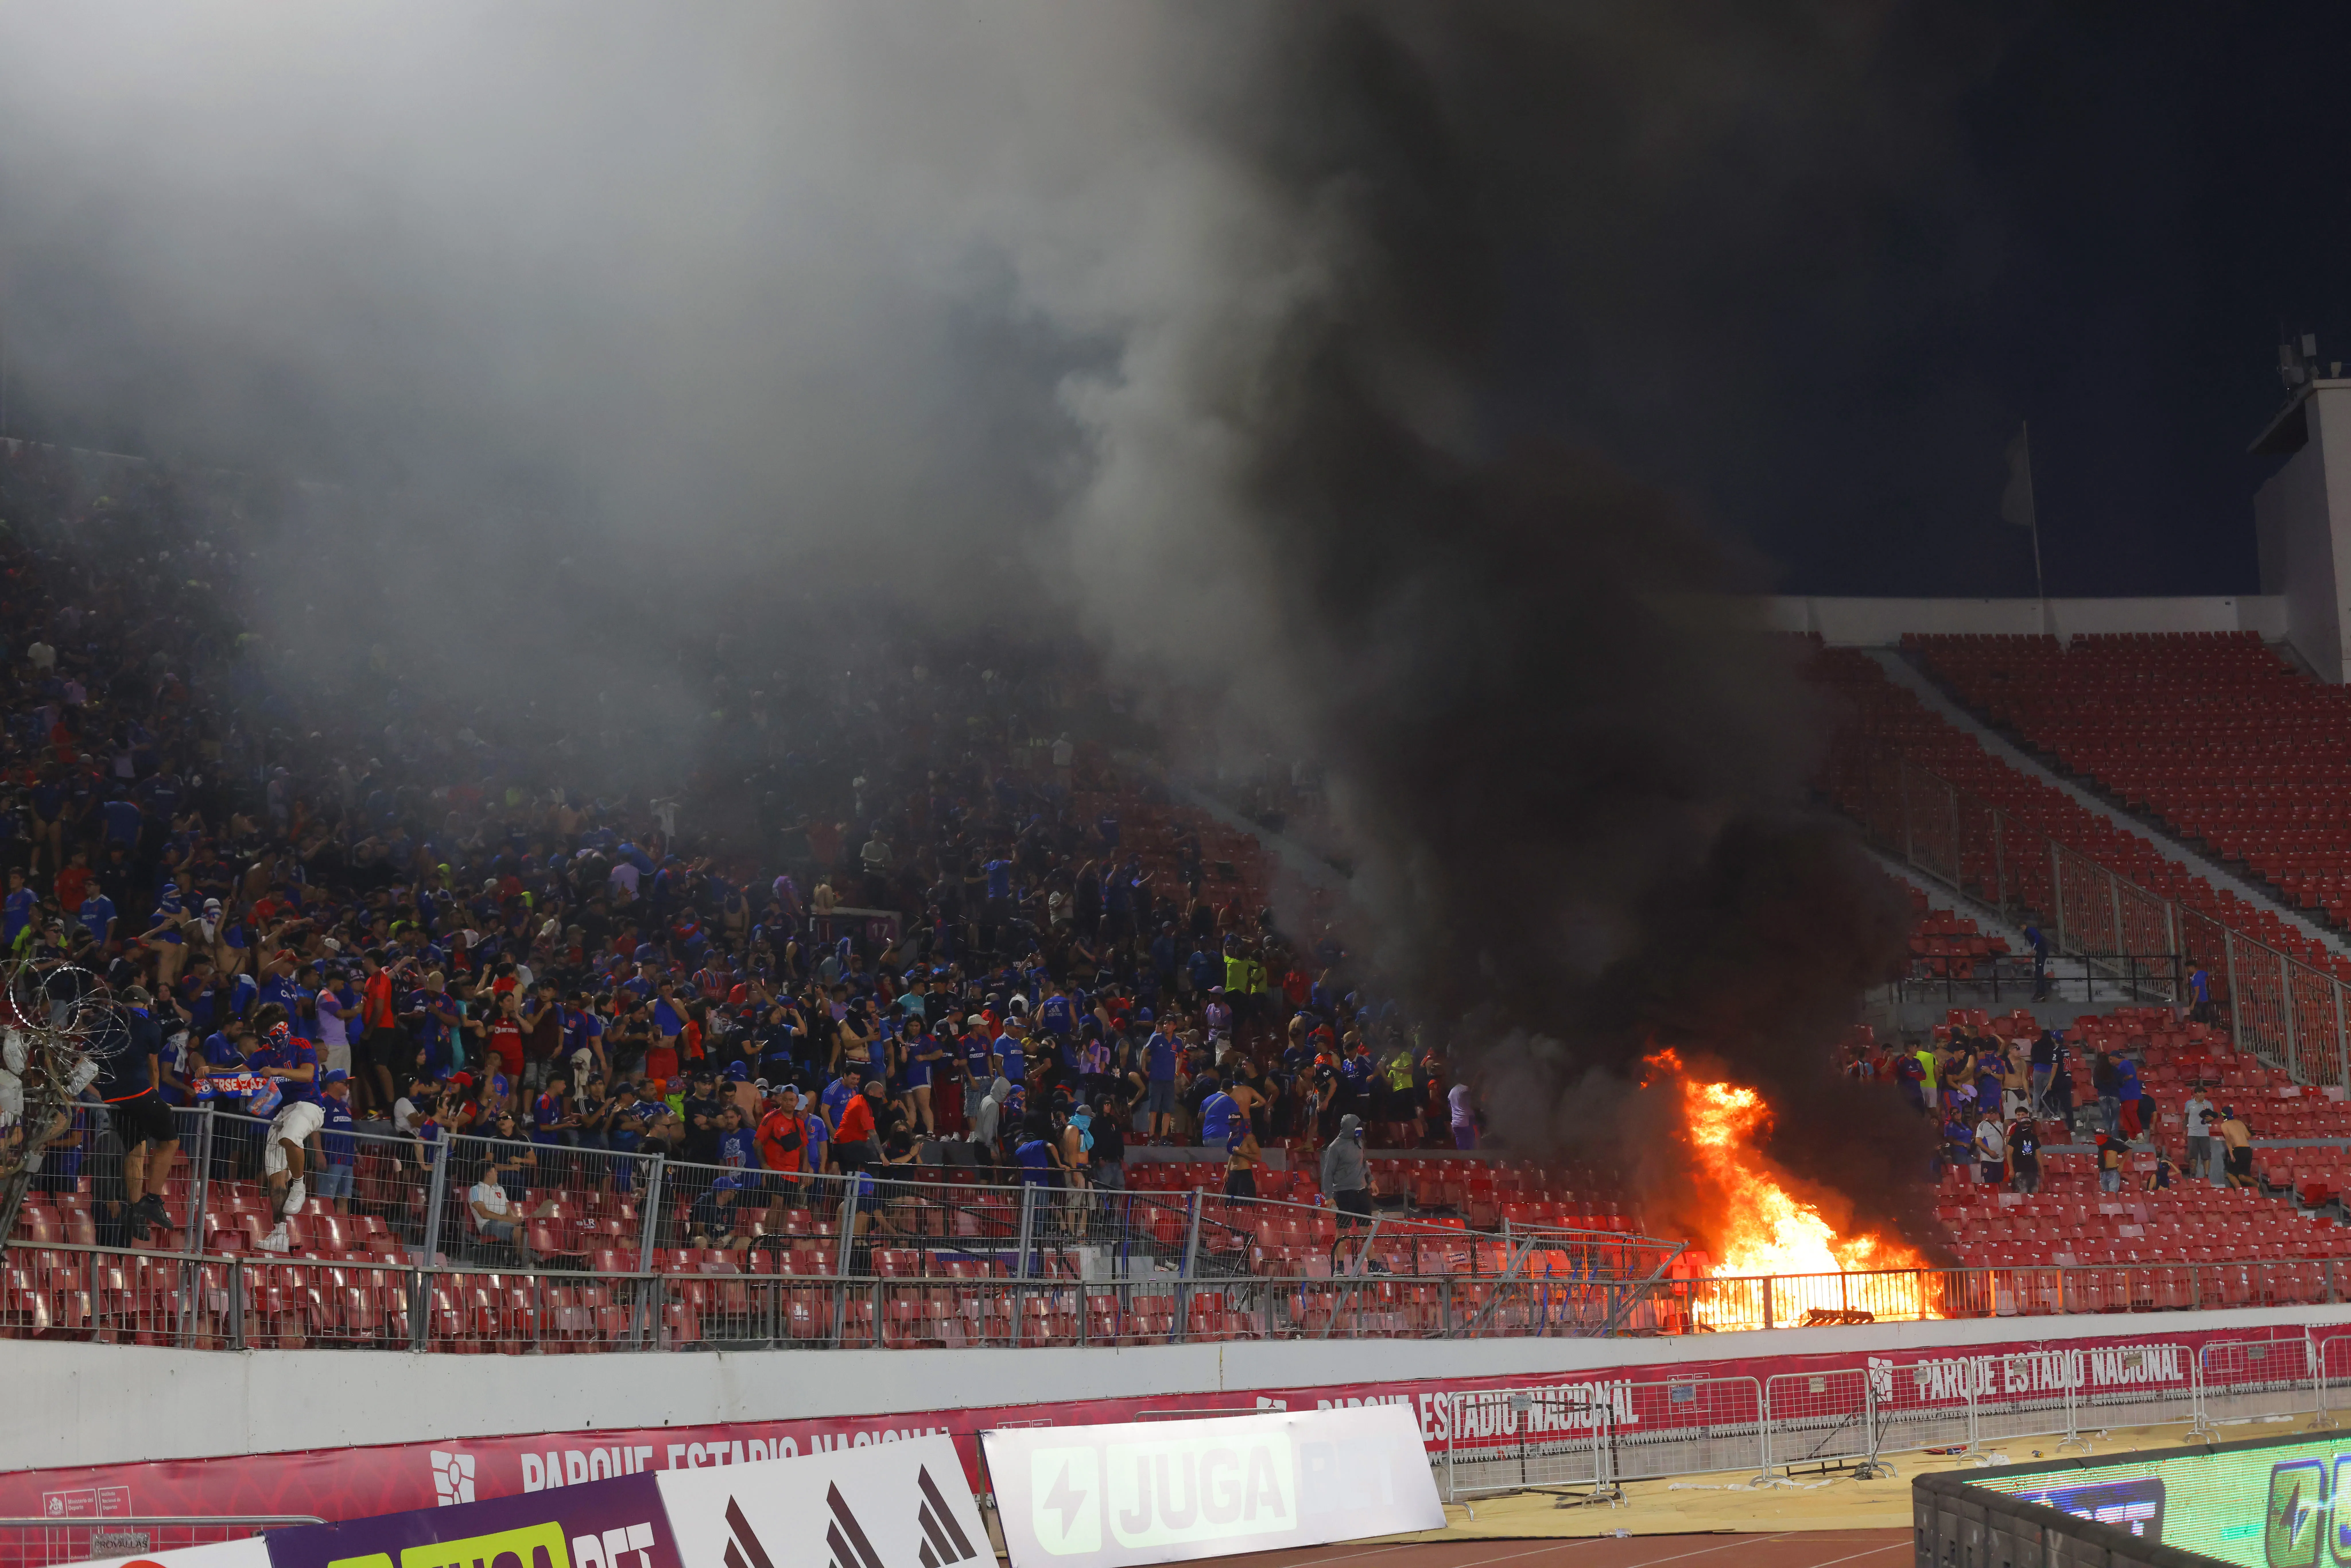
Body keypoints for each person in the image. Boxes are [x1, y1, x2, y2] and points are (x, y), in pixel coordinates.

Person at [95, 984, 177, 1243]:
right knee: (170, 1142)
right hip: (138, 1094)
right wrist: (157, 1100)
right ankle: (152, 1201)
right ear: (144, 1004)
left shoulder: (102, 1024)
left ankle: (134, 1208)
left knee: (135, 1148)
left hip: (111, 1097)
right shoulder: (150, 1026)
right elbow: (154, 1069)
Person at [251, 1022, 328, 1253]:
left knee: (290, 1138)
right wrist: (211, 1072)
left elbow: (307, 1075)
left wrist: (276, 1072)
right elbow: (240, 1070)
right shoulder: (264, 1052)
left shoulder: (301, 1044)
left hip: (308, 1106)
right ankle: (279, 1234)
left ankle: (299, 1185)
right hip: (281, 1112)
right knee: (275, 1178)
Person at [1321, 1112, 1371, 1266]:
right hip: (1344, 1194)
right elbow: (1328, 1173)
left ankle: (1374, 1263)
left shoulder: (1359, 1142)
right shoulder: (1335, 1148)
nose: (1360, 1130)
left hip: (1362, 1192)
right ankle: (1340, 1266)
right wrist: (1329, 1196)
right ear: (1349, 1128)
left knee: (1367, 1231)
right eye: (1357, 1127)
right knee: (1343, 1231)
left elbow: (1364, 1164)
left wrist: (1372, 1180)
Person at [313, 1068, 358, 1214]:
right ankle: (322, 1233)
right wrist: (319, 1154)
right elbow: (316, 1129)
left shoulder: (345, 1105)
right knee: (326, 1200)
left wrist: (356, 1152)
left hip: (348, 1159)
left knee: (344, 1198)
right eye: (344, 1083)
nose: (348, 1086)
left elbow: (348, 1130)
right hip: (331, 1157)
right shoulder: (322, 1101)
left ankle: (341, 1234)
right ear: (333, 1084)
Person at [2183, 1087, 2218, 1183]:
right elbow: (2186, 1118)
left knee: (2207, 1156)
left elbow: (2212, 1118)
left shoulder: (2209, 1105)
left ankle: (2206, 1176)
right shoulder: (2189, 1104)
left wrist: (2209, 1119)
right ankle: (2193, 1176)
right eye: (2201, 1093)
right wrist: (2184, 1130)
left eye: (2204, 1093)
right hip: (2192, 1134)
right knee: (2193, 1157)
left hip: (2204, 1134)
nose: (2203, 1095)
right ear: (2196, 1094)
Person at [2218, 1105, 2255, 1189]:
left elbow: (2228, 1141)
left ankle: (2240, 1191)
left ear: (2223, 1115)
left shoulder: (2225, 1125)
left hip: (2239, 1150)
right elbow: (2248, 1136)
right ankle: (2258, 1186)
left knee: (2230, 1175)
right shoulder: (2240, 1123)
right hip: (2248, 1150)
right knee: (2243, 1176)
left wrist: (2231, 1154)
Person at [1974, 1110, 2006, 1188]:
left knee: (1999, 1183)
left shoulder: (2001, 1125)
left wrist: (2005, 1152)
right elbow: (1978, 1141)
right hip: (1988, 1158)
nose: (1992, 1115)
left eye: (1994, 1113)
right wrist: (1990, 1152)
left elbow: (2003, 1139)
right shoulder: (1983, 1124)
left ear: (1997, 1114)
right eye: (1989, 1113)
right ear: (1986, 1115)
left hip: (2000, 1159)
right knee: (1988, 1184)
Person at [1447, 1078, 1476, 1150]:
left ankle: (1464, 1160)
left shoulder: (1451, 1093)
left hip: (1456, 1123)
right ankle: (1471, 1160)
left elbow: (1450, 1109)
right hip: (1467, 1121)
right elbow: (1470, 1104)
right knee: (1471, 1145)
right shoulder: (1465, 1089)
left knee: (1461, 1147)